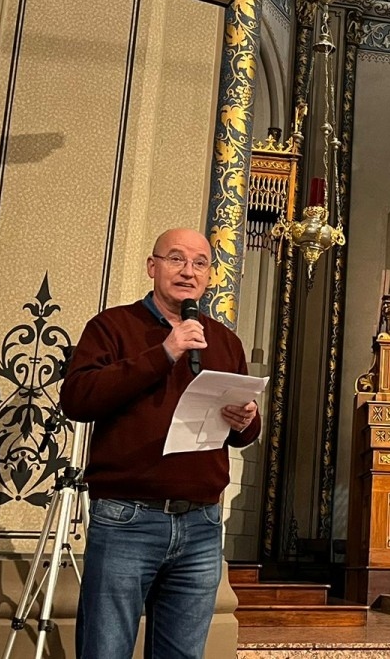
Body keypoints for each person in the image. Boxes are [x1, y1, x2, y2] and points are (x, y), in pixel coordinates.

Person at [60, 228, 261, 659]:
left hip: (202, 524)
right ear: (153, 267)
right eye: (176, 259)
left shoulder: (225, 341)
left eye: (200, 263)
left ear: (209, 275)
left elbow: (244, 432)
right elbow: (78, 399)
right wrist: (163, 353)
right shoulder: (112, 326)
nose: (188, 272)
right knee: (105, 650)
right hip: (128, 518)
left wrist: (246, 419)